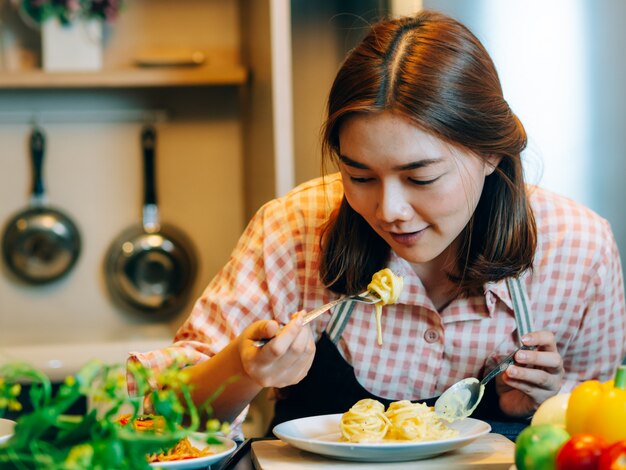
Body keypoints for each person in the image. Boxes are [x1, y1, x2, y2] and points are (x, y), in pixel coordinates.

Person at [128, 10, 626, 440]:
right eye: (359, 175)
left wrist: (541, 406)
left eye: (421, 177)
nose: (390, 210)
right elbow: (157, 416)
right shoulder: (293, 227)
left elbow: (598, 438)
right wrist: (241, 369)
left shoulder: (578, 247)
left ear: (491, 151)